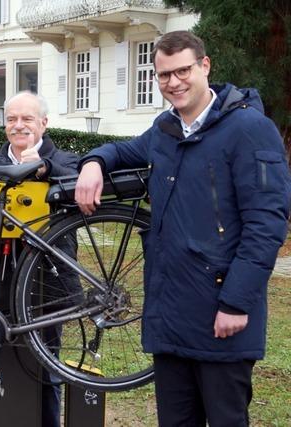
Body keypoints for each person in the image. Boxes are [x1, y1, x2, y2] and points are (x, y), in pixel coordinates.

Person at [74, 31, 291, 426]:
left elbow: (267, 224)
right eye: (163, 75)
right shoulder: (165, 131)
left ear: (205, 66)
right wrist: (94, 163)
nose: (173, 82)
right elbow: (122, 151)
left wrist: (236, 303)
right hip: (171, 317)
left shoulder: (249, 130)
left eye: (183, 71)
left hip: (222, 317)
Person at [0, 91, 80, 427]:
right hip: (2, 277)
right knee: (3, 355)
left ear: (44, 124)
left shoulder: (66, 159)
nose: (18, 126)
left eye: (27, 119)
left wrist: (44, 169)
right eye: (11, 120)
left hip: (50, 282)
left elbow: (78, 185)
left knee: (48, 362)